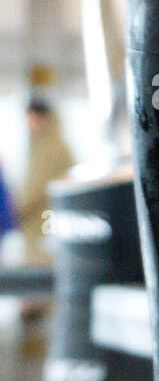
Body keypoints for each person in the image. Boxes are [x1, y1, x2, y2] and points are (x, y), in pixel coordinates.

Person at [19, 97, 73, 265]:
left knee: (41, 273)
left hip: (43, 223)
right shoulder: (49, 143)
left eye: (31, 118)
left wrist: (18, 208)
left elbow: (36, 188)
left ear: (40, 117)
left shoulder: (50, 147)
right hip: (43, 223)